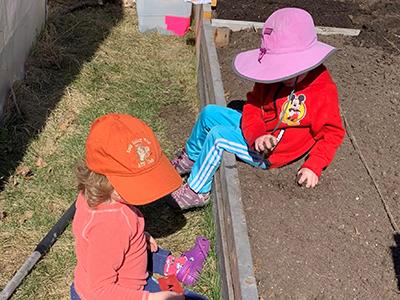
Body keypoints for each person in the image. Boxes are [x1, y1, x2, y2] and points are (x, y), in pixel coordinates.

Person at [168, 7, 345, 210]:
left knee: (218, 137)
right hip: (260, 135)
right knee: (209, 113)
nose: (279, 73)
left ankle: (197, 191)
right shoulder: (271, 76)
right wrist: (257, 135)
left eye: (285, 68)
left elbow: (332, 133)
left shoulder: (322, 91)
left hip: (273, 153)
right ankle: (190, 158)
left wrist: (314, 165)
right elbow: (252, 106)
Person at [70, 113, 210, 300]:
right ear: (105, 179)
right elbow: (100, 291)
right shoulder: (111, 224)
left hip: (112, 278)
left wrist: (137, 236)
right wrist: (151, 298)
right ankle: (177, 268)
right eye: (136, 181)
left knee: (153, 261)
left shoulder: (98, 199)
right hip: (121, 293)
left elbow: (104, 244)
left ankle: (171, 267)